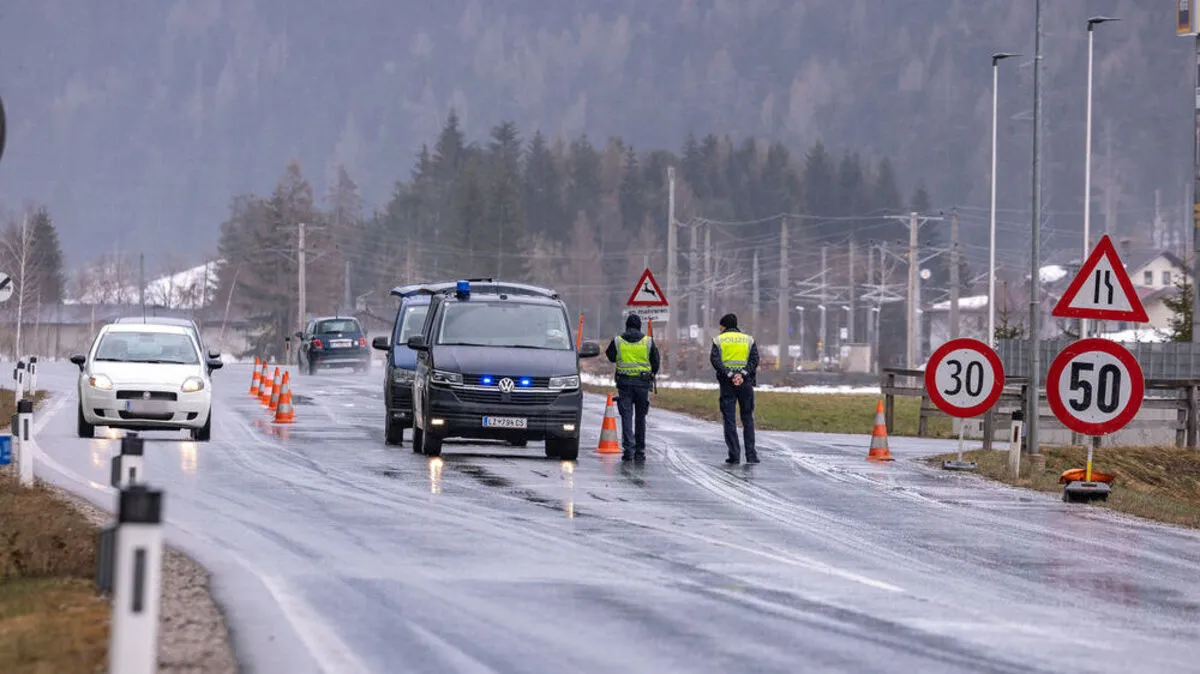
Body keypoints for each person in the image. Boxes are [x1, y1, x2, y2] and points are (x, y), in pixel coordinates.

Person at [605, 314, 660, 462]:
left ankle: (628, 450)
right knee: (641, 418)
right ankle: (640, 451)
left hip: (624, 384)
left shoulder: (618, 341)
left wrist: (621, 359)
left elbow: (610, 356)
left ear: (626, 326)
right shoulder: (648, 342)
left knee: (626, 417)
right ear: (639, 326)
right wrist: (651, 373)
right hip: (642, 384)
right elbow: (655, 362)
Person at [710, 313, 759, 464]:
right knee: (747, 419)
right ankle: (751, 455)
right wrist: (743, 374)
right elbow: (755, 359)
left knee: (729, 419)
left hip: (727, 384)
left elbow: (715, 360)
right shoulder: (749, 340)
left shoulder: (719, 340)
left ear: (723, 326)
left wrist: (730, 374)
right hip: (745, 383)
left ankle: (734, 455)